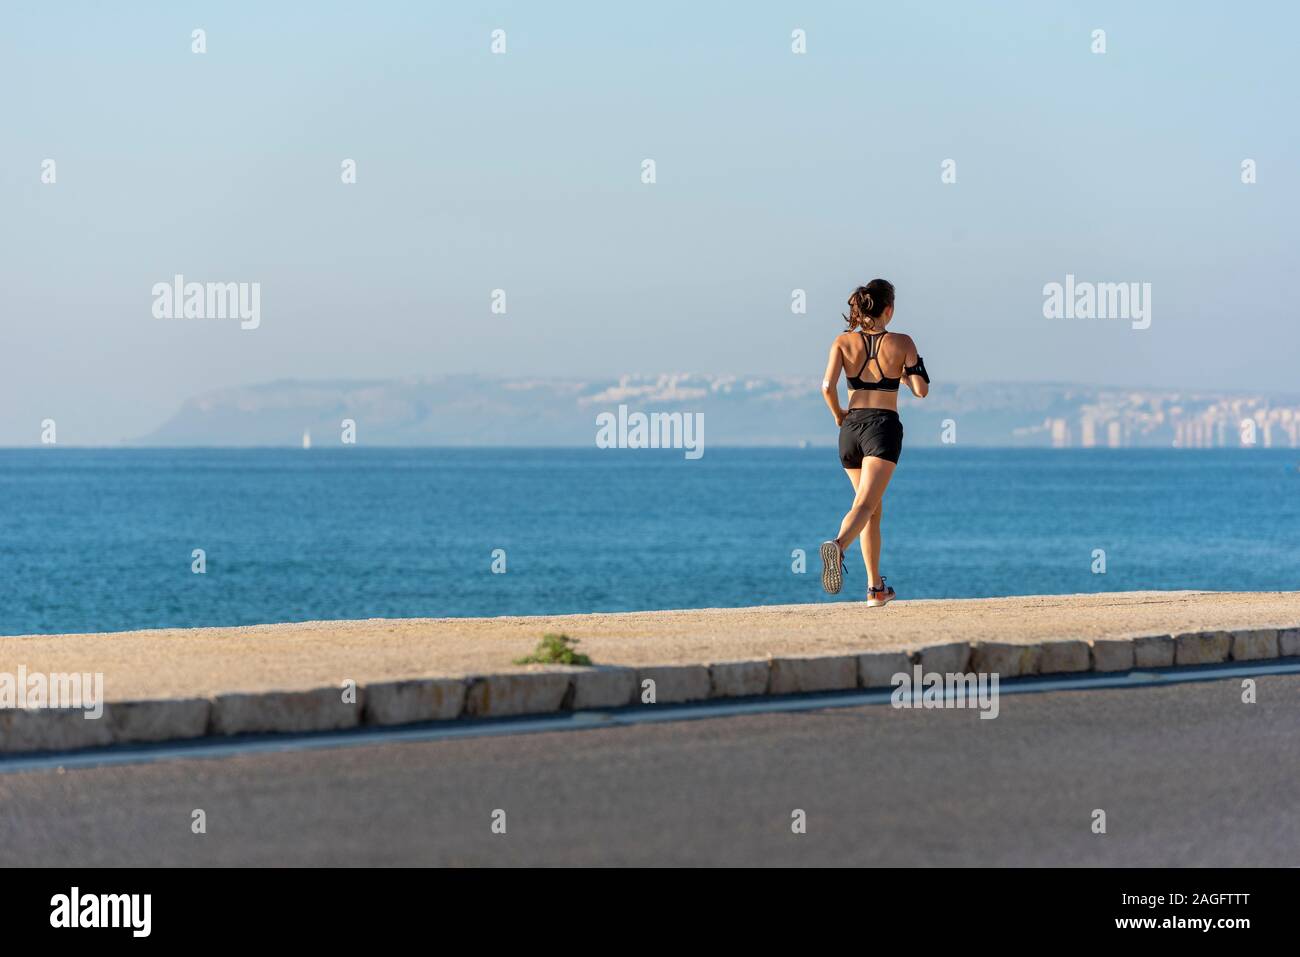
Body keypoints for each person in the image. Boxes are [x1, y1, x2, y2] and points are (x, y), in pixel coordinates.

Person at [818, 279, 929, 605]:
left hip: (850, 429)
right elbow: (921, 390)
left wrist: (838, 414)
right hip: (882, 428)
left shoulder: (841, 342)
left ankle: (875, 588)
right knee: (866, 506)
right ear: (889, 309)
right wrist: (907, 371)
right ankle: (837, 546)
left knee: (871, 509)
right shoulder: (902, 341)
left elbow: (826, 386)